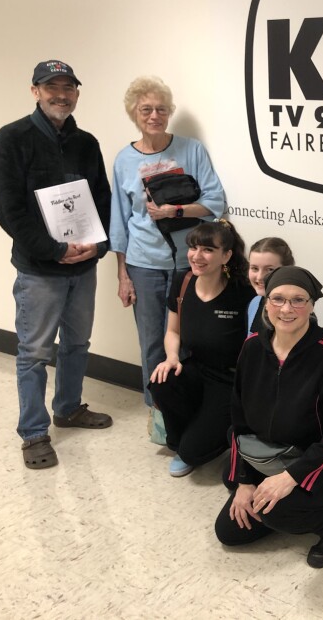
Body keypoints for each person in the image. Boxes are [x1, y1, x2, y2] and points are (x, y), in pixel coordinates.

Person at [0, 60, 113, 470]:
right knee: (34, 353)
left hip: (84, 267)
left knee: (77, 345)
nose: (61, 94)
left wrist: (98, 245)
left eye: (68, 87)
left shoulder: (87, 142)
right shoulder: (12, 139)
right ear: (35, 91)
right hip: (40, 270)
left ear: (77, 93)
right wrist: (54, 250)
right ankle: (34, 434)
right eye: (51, 87)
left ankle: (69, 408)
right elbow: (9, 211)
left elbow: (102, 199)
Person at [214, 266, 323, 568]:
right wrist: (246, 482)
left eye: (298, 300)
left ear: (312, 305)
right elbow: (239, 420)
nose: (286, 309)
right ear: (266, 301)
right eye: (277, 299)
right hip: (280, 453)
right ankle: (283, 507)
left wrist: (291, 478)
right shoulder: (251, 349)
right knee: (230, 529)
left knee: (276, 510)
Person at [109, 76, 225, 435]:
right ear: (134, 113)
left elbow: (215, 203)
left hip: (188, 262)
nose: (154, 115)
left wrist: (174, 212)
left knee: (188, 340)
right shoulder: (124, 160)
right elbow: (119, 221)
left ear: (169, 112)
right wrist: (123, 274)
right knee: (150, 341)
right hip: (143, 264)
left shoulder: (190, 150)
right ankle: (157, 409)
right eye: (146, 109)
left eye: (161, 109)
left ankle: (189, 406)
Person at [148, 220, 254, 477]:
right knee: (161, 381)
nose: (197, 256)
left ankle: (199, 442)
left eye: (207, 249)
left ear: (226, 255)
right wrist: (172, 357)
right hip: (196, 368)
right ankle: (185, 439)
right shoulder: (183, 282)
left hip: (229, 379)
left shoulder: (242, 291)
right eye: (193, 247)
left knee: (194, 452)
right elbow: (173, 331)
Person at [246, 237, 294, 335]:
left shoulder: (297, 309)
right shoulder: (255, 303)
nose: (260, 277)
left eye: (270, 269)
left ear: (287, 269)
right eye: (254, 268)